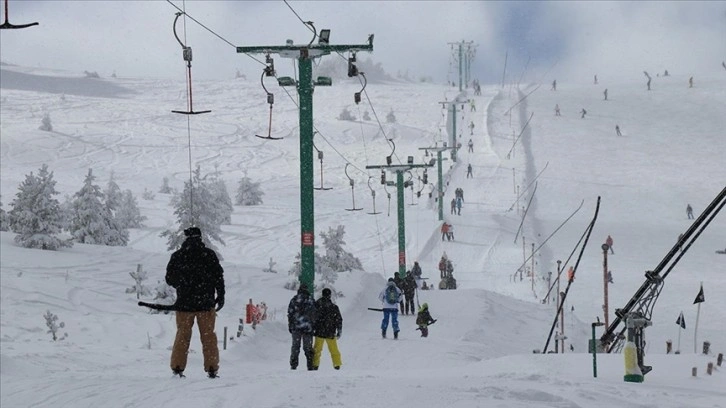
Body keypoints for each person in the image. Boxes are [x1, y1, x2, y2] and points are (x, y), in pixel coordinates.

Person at [165, 227, 225, 379]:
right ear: (200, 238)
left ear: (186, 238)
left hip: (184, 304)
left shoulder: (178, 256)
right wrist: (220, 295)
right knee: (208, 336)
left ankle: (178, 368)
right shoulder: (209, 255)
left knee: (182, 336)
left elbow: (169, 279)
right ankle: (212, 369)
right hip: (206, 304)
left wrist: (183, 284)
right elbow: (219, 277)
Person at [312, 288, 342, 370]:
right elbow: (339, 319)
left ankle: (315, 364)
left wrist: (313, 328)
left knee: (317, 350)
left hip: (319, 332)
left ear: (322, 294)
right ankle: (337, 364)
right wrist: (339, 330)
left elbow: (313, 317)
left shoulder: (317, 305)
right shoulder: (334, 307)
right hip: (330, 332)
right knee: (334, 350)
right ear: (330, 295)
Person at [287, 283, 316, 370]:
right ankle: (310, 364)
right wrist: (313, 325)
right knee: (308, 347)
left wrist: (290, 325)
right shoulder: (310, 300)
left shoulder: (294, 300)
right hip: (308, 327)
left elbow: (290, 313)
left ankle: (293, 364)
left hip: (296, 327)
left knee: (295, 346)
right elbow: (315, 314)